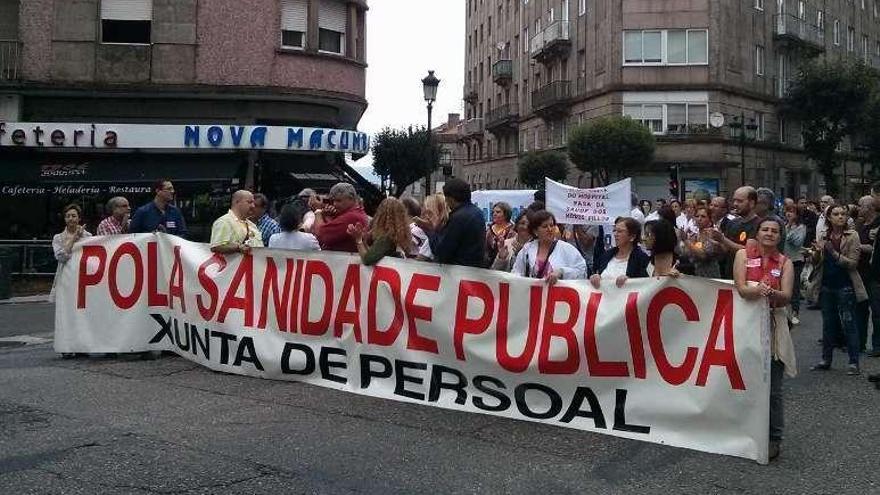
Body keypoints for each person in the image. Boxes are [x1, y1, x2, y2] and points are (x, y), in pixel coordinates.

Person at [732, 216, 795, 461]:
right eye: (765, 229)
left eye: (775, 231)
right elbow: (740, 288)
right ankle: (745, 431)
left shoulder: (785, 262)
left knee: (774, 389)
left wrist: (771, 293)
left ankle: (774, 438)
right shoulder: (742, 255)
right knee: (745, 381)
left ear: (780, 236)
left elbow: (786, 296)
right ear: (757, 233)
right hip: (745, 327)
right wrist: (757, 290)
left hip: (773, 326)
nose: (769, 234)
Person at [810, 205, 868, 376]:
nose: (840, 217)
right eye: (836, 214)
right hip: (827, 284)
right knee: (828, 324)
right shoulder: (824, 235)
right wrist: (814, 254)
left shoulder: (852, 236)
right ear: (829, 218)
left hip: (845, 285)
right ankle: (826, 359)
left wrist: (832, 252)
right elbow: (819, 261)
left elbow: (852, 263)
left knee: (849, 323)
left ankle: (853, 362)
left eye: (843, 214)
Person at [512, 210, 586, 283]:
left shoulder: (567, 249)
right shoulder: (527, 249)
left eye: (552, 225)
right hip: (533, 294)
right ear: (535, 231)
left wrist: (561, 272)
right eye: (545, 226)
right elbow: (516, 274)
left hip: (558, 294)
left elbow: (582, 272)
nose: (550, 229)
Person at [428, 179, 486, 267]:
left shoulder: (458, 217)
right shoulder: (477, 212)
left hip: (458, 271)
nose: (446, 202)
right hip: (474, 268)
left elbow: (441, 251)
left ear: (451, 198)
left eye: (446, 198)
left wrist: (431, 230)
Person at [348, 197, 411, 266]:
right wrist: (364, 243)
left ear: (381, 214)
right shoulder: (397, 235)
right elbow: (374, 254)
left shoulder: (386, 238)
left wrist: (358, 240)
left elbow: (367, 259)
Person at [590, 217, 650, 288]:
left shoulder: (641, 258)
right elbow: (598, 272)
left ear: (632, 237)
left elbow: (645, 284)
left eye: (620, 231)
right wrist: (596, 276)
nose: (615, 234)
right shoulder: (607, 255)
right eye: (614, 230)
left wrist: (631, 281)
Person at [51, 204, 92, 304]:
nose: (70, 219)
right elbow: (61, 257)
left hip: (83, 276)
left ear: (79, 218)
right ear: (64, 219)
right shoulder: (58, 238)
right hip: (65, 276)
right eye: (67, 216)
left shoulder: (88, 236)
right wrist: (74, 239)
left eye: (73, 216)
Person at [855, 195, 880, 355]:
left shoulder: (878, 224)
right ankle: (860, 343)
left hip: (874, 274)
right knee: (860, 310)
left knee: (877, 312)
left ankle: (877, 345)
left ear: (870, 208)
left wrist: (859, 247)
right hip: (860, 273)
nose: (859, 209)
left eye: (861, 206)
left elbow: (875, 248)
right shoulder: (861, 224)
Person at [313, 183, 369, 253]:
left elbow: (320, 234)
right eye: (333, 201)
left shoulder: (351, 217)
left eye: (339, 201)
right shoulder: (357, 213)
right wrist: (328, 216)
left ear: (351, 198)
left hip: (342, 261)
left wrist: (318, 211)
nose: (334, 204)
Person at [210, 190, 263, 254]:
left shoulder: (252, 225)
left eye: (253, 203)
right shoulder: (224, 222)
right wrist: (238, 247)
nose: (253, 206)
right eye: (249, 202)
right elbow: (216, 246)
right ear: (237, 202)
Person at [783, 204, 807, 325]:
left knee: (794, 287)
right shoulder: (784, 225)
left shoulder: (801, 227)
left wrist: (789, 232)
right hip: (784, 260)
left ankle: (795, 312)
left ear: (797, 214)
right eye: (787, 211)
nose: (789, 214)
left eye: (792, 212)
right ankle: (785, 312)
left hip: (796, 260)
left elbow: (797, 242)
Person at [685, 206, 723, 278]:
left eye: (703, 216)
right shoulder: (694, 235)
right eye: (697, 216)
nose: (699, 219)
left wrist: (686, 241)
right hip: (696, 274)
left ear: (709, 219)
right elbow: (687, 254)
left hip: (710, 275)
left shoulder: (713, 234)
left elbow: (703, 255)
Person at [415, 193, 449, 261]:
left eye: (430, 213)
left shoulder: (434, 237)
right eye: (424, 213)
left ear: (441, 213)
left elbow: (418, 262)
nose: (426, 217)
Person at [485, 201, 516, 267]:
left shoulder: (513, 230)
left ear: (506, 214)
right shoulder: (489, 230)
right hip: (489, 266)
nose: (494, 214)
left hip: (507, 265)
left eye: (498, 212)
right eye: (493, 212)